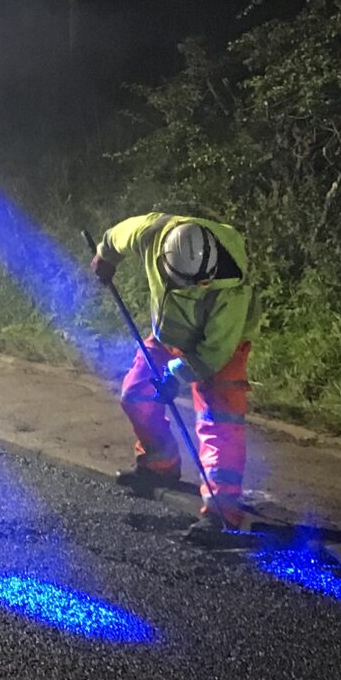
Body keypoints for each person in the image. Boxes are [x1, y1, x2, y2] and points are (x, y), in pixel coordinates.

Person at [91, 213, 263, 535]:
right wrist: (105, 256)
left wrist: (175, 375)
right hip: (168, 335)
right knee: (136, 395)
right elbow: (117, 235)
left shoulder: (232, 289)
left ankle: (221, 511)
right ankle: (160, 465)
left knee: (218, 421)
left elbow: (213, 353)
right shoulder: (154, 233)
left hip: (222, 347)